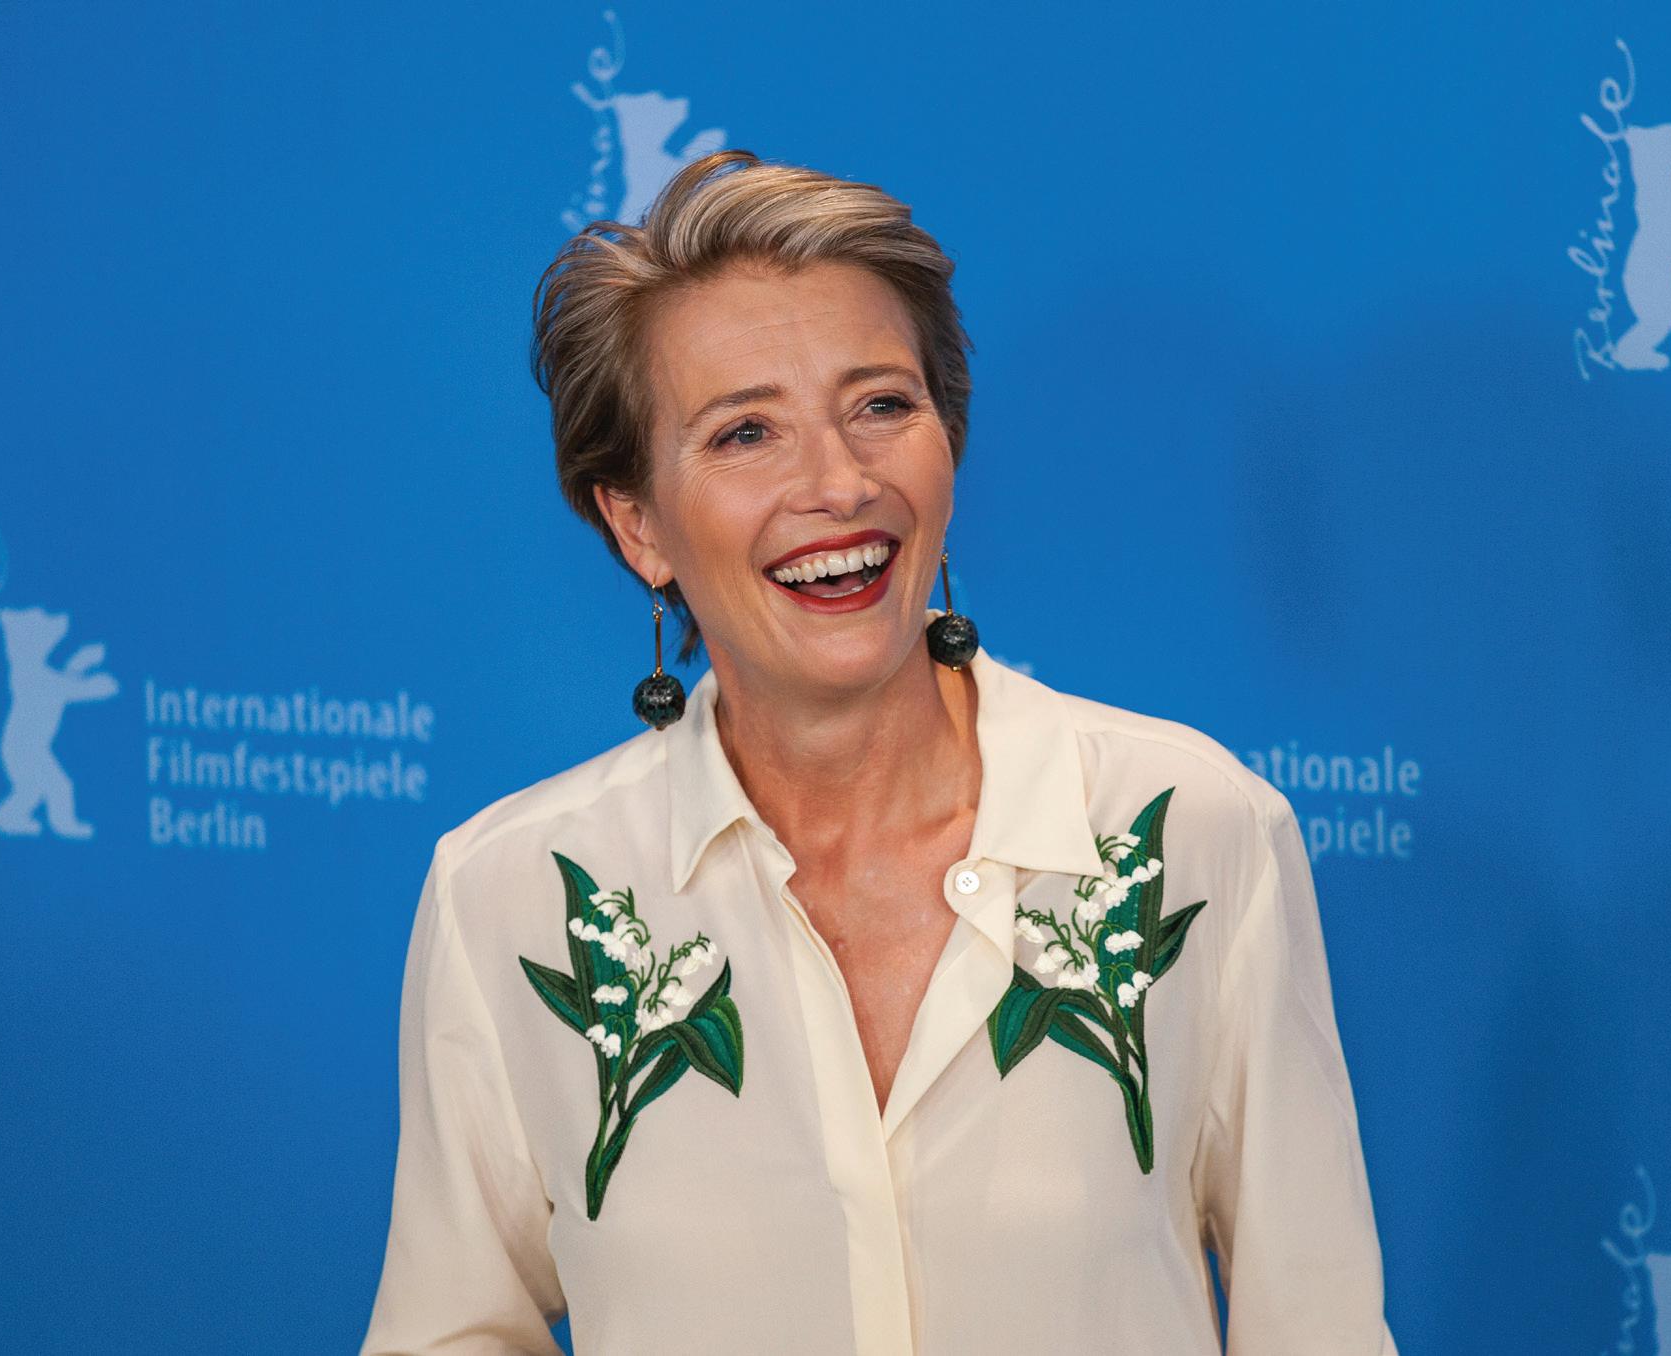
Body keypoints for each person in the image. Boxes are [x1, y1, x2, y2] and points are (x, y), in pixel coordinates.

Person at [359, 149, 1399, 1355]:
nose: (840, 483)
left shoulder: (1191, 829)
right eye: (746, 432)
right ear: (638, 524)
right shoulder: (512, 897)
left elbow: (1317, 1324)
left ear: (947, 443)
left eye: (882, 407)